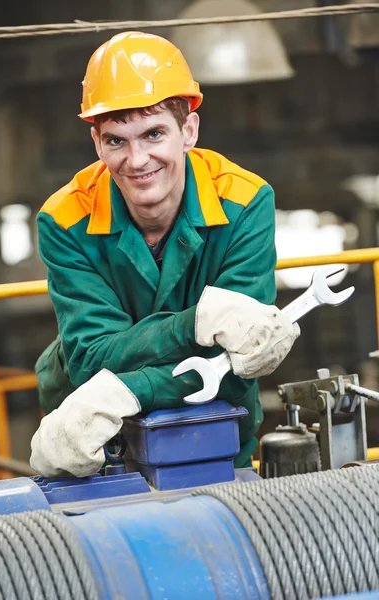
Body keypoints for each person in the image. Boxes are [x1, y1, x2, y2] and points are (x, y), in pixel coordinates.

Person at [30, 31, 299, 478]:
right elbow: (90, 358)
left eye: (154, 133)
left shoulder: (245, 203)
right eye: (117, 140)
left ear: (188, 130)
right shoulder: (64, 221)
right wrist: (193, 326)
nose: (137, 160)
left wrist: (126, 391)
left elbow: (234, 364)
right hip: (93, 444)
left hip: (213, 432)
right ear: (97, 142)